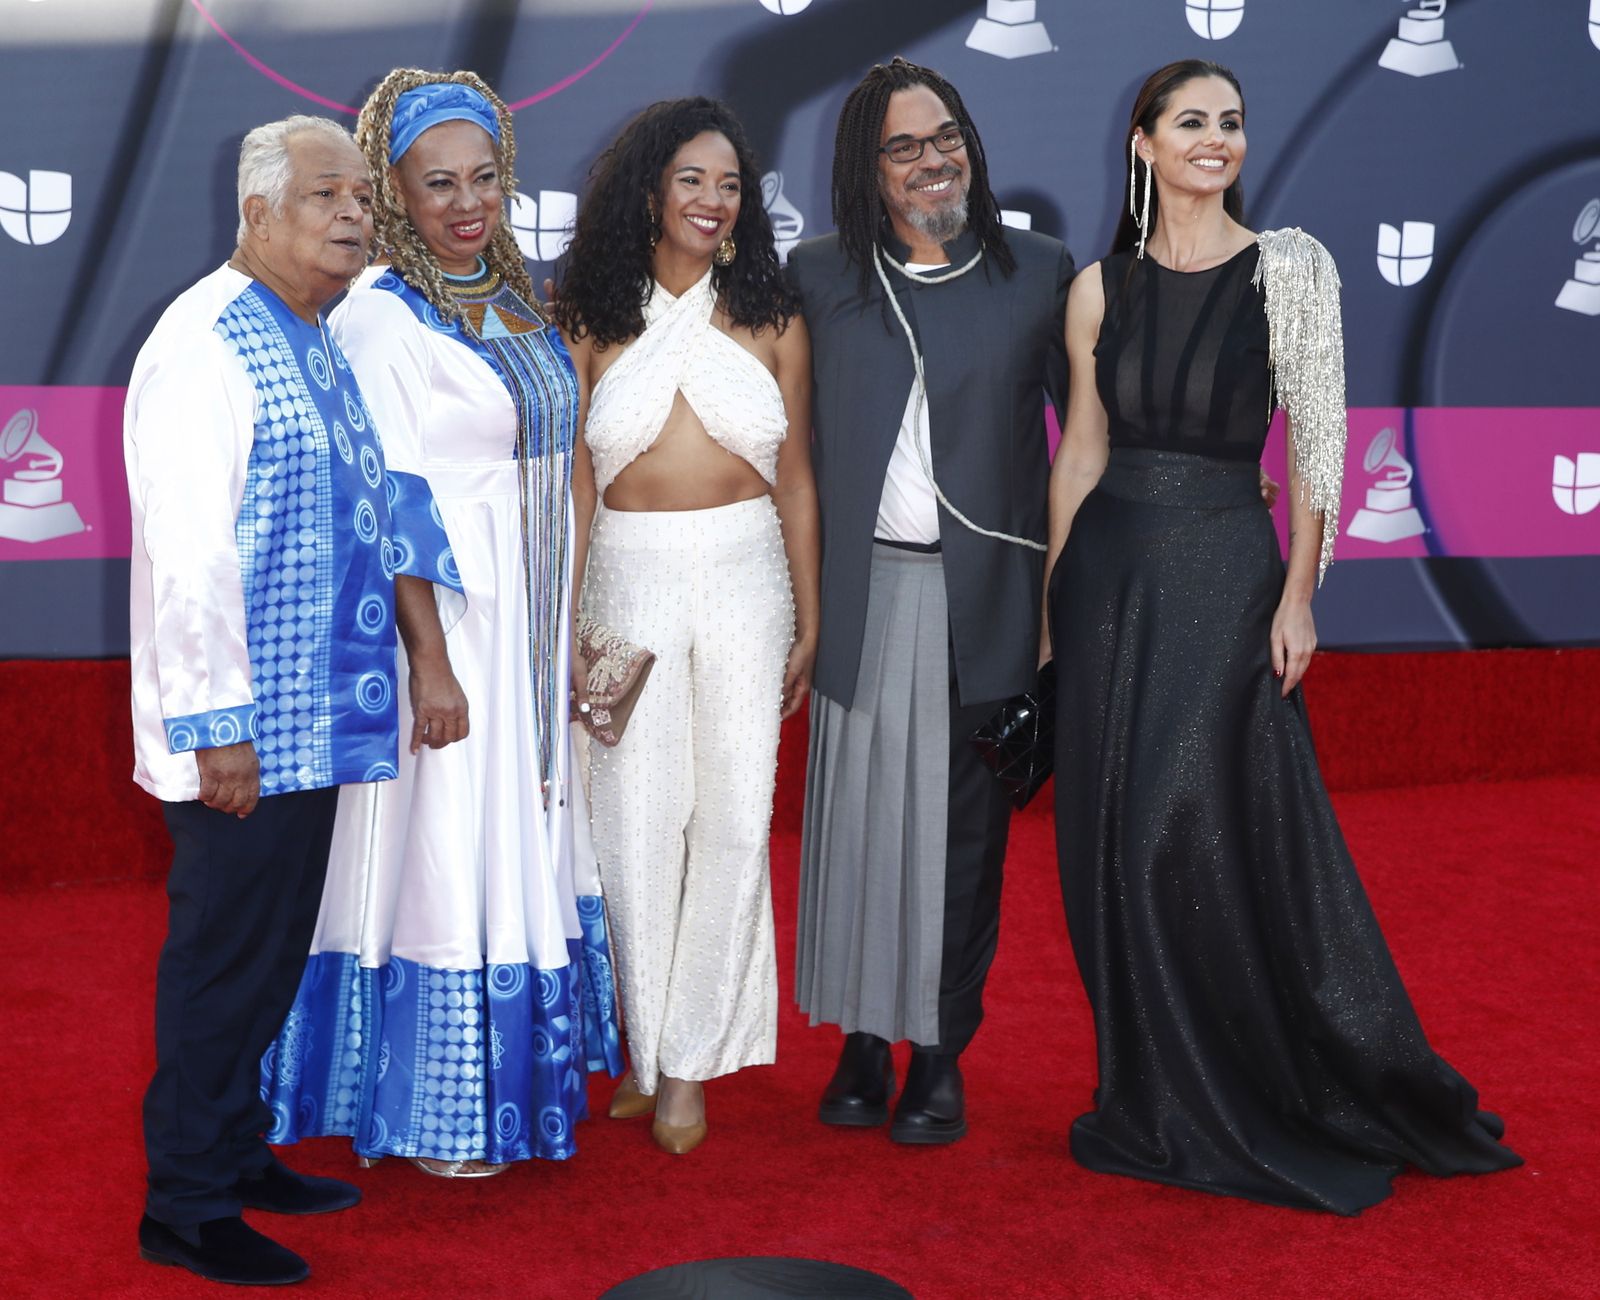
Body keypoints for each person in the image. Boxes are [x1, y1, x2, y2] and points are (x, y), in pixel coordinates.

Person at [1045, 59, 1523, 1213]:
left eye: (1232, 123)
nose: (1216, 140)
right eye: (1191, 122)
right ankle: (1150, 1093)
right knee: (1101, 843)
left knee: (1179, 824)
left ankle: (1250, 1081)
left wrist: (1300, 592)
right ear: (1143, 144)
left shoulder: (1291, 269)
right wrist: (1052, 618)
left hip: (1223, 569)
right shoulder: (1097, 287)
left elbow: (1318, 444)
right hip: (1108, 579)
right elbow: (1081, 455)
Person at [259, 71, 623, 1179]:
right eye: (436, 185)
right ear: (391, 193)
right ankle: (441, 1109)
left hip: (527, 616)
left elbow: (565, 467)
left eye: (484, 179)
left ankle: (514, 1089)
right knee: (449, 847)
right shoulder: (381, 315)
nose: (466, 204)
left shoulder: (516, 298)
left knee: (523, 837)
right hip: (452, 625)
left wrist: (569, 625)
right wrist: (431, 665)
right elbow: (388, 500)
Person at [126, 115, 420, 1285]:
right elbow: (191, 554)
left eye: (360, 194)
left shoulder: (310, 327)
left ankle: (238, 1153)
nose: (353, 213)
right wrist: (217, 732)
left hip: (311, 725)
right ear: (256, 213)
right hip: (243, 734)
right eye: (323, 196)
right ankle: (184, 1205)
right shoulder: (205, 341)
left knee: (266, 959)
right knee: (219, 960)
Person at [790, 58, 1073, 1146]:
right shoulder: (818, 276)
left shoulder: (1039, 272)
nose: (929, 160)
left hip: (984, 600)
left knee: (962, 839)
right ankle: (862, 1037)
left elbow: (1088, 442)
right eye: (902, 146)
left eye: (943, 136)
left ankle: (940, 1048)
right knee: (856, 829)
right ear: (866, 166)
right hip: (860, 595)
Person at [554, 97, 819, 1155]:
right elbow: (573, 487)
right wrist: (565, 619)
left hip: (750, 574)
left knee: (733, 817)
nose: (714, 202)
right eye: (692, 181)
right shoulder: (586, 314)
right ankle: (645, 1041)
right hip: (623, 577)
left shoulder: (771, 316)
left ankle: (689, 1066)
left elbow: (796, 481)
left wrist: (807, 612)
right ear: (648, 192)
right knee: (630, 823)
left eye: (730, 186)